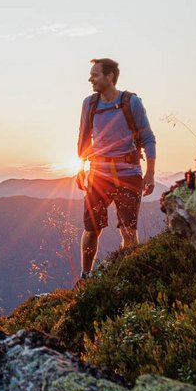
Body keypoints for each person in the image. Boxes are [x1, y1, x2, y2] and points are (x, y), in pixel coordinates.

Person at [75, 57, 156, 280]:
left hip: (129, 173)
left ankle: (127, 277)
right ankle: (86, 276)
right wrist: (81, 166)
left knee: (128, 229)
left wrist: (149, 173)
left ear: (109, 77)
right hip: (98, 174)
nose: (90, 79)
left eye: (95, 74)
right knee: (92, 228)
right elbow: (83, 138)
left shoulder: (132, 103)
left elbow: (148, 138)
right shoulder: (89, 104)